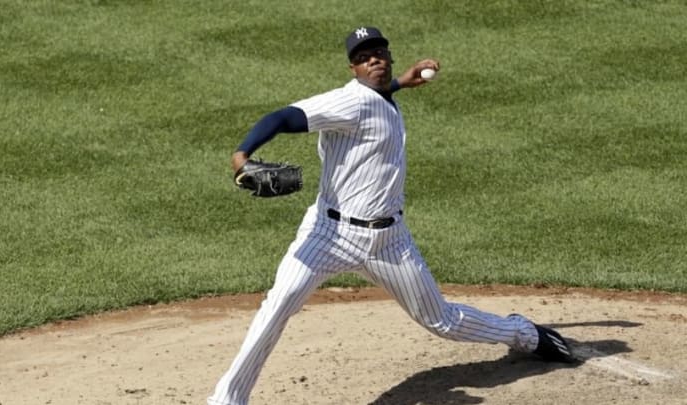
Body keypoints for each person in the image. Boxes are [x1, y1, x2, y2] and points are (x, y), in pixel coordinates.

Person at [207, 26, 575, 405]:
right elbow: (283, 117)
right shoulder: (346, 102)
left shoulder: (380, 96)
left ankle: (524, 334)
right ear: (353, 67)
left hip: (390, 242)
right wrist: (241, 156)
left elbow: (377, 100)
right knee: (277, 307)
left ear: (389, 57)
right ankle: (226, 401)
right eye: (365, 57)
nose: (374, 61)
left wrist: (400, 83)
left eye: (379, 53)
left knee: (441, 321)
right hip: (328, 235)